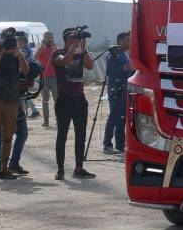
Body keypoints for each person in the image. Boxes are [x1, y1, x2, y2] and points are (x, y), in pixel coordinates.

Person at [53, 27, 96, 180]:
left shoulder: (79, 52)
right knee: (62, 136)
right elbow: (64, 62)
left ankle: (79, 168)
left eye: (76, 37)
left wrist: (83, 49)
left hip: (79, 99)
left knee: (80, 135)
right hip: (64, 100)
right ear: (66, 39)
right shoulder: (57, 53)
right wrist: (73, 47)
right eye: (73, 37)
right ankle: (60, 169)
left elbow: (90, 66)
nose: (76, 40)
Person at [0, 28, 29, 180]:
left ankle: (4, 168)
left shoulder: (17, 56)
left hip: (11, 100)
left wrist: (19, 55)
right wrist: (1, 53)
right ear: (2, 40)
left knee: (8, 136)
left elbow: (25, 71)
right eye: (7, 40)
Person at [103, 31, 133, 154]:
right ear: (120, 41)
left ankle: (120, 145)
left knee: (122, 118)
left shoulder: (125, 55)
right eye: (127, 40)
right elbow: (110, 72)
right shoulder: (112, 55)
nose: (129, 43)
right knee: (113, 117)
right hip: (115, 90)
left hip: (124, 90)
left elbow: (129, 72)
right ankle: (107, 145)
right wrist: (126, 67)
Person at [35, 31, 59, 127]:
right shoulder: (41, 49)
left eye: (50, 39)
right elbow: (35, 57)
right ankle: (46, 121)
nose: (48, 41)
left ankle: (58, 119)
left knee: (57, 99)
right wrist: (42, 46)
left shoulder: (55, 49)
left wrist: (54, 46)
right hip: (44, 77)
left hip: (54, 77)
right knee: (45, 100)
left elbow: (60, 57)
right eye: (46, 39)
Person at [17, 35, 40, 118]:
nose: (18, 44)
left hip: (24, 74)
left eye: (19, 42)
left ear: (24, 42)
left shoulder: (24, 50)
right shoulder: (28, 49)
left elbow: (21, 60)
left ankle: (22, 114)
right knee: (24, 94)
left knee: (22, 94)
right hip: (27, 74)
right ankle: (34, 110)